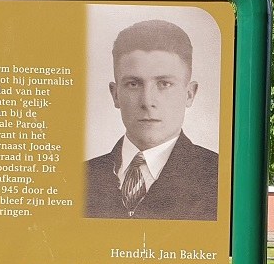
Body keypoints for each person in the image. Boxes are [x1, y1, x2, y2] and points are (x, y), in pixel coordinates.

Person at [84, 19, 218, 220]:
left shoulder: (219, 176)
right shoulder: (81, 178)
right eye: (133, 84)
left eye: (164, 84)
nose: (147, 101)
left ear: (189, 94)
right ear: (115, 94)